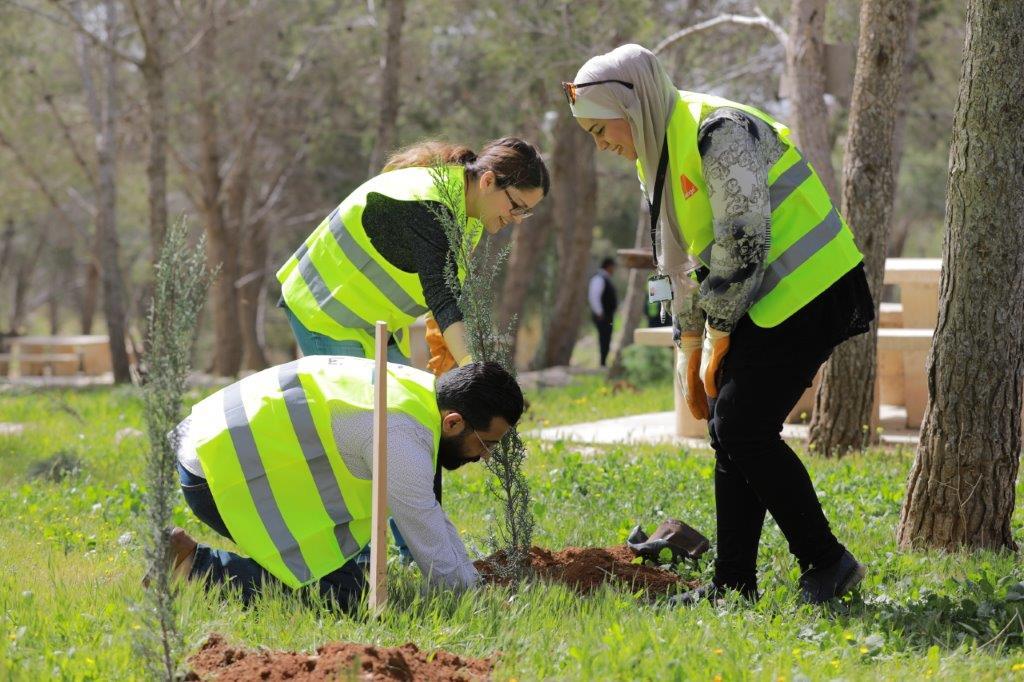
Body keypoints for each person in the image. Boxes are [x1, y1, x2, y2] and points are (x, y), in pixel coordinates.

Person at [563, 44, 874, 605]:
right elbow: (672, 262)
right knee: (728, 431)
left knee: (742, 428)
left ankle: (827, 562)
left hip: (811, 290)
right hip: (759, 298)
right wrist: (687, 347)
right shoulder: (653, 158)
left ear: (631, 109)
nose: (601, 144)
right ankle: (733, 586)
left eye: (600, 129)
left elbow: (745, 240)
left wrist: (719, 333)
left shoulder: (719, 129)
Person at [163, 358, 523, 610]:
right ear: (455, 422)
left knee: (356, 563)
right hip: (218, 474)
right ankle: (192, 564)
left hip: (218, 445)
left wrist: (471, 576)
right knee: (344, 594)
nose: (487, 456)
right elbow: (426, 532)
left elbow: (430, 515)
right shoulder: (404, 437)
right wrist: (474, 598)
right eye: (487, 442)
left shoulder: (419, 395)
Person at [276, 138, 549, 373]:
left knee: (399, 418)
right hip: (326, 311)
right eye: (517, 207)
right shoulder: (428, 206)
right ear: (488, 181)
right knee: (357, 425)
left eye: (526, 212)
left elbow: (449, 284)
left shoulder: (470, 214)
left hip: (375, 324)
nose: (518, 220)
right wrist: (473, 368)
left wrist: (446, 346)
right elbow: (440, 294)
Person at [588, 256, 618, 367]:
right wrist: (599, 312)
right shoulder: (599, 279)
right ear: (608, 266)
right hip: (602, 316)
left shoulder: (605, 279)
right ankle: (602, 363)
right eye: (613, 267)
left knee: (607, 338)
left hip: (607, 316)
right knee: (604, 338)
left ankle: (603, 362)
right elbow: (593, 297)